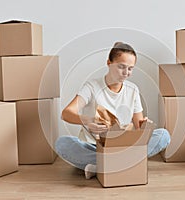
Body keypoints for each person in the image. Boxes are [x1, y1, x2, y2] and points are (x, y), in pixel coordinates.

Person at [55, 42, 171, 179]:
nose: (126, 73)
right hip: (94, 147)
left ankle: (100, 167)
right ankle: (120, 164)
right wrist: (88, 121)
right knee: (62, 143)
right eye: (121, 67)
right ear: (109, 63)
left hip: (121, 147)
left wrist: (144, 125)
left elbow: (138, 125)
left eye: (130, 69)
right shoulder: (92, 86)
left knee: (163, 135)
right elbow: (66, 113)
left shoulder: (132, 89)